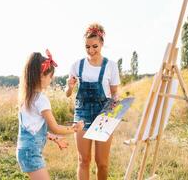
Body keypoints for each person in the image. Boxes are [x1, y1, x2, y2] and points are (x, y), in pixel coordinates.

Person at [16, 49, 84, 180]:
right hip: (31, 153)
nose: (51, 80)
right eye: (50, 77)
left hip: (24, 151)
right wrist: (75, 129)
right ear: (41, 76)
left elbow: (32, 129)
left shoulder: (27, 98)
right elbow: (55, 127)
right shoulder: (41, 99)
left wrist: (55, 138)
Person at [65, 23, 120, 180]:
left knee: (102, 162)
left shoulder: (111, 66)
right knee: (84, 160)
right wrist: (69, 87)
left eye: (95, 46)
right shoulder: (77, 65)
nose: (91, 50)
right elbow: (68, 94)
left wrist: (116, 103)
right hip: (82, 113)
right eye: (87, 47)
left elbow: (115, 93)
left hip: (105, 113)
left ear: (102, 43)